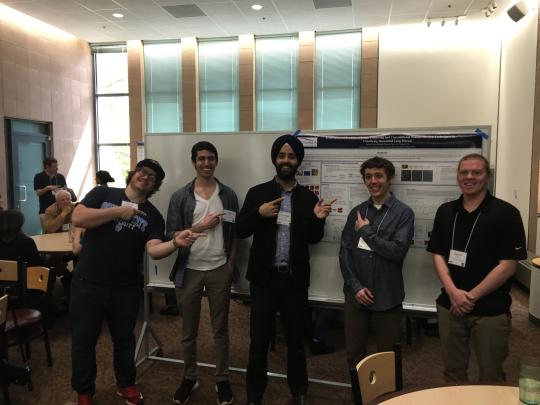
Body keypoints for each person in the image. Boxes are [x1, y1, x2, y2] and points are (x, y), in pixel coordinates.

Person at [70, 159, 203, 405]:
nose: (146, 176)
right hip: (87, 283)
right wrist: (118, 212)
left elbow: (153, 250)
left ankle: (126, 384)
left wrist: (176, 242)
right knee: (83, 341)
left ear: (156, 185)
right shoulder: (103, 193)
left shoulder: (153, 216)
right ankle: (85, 391)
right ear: (133, 173)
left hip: (125, 288)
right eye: (143, 171)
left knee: (124, 340)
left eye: (153, 176)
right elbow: (78, 217)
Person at [237, 134, 335, 405]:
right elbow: (240, 230)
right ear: (274, 159)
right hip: (263, 281)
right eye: (282, 155)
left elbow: (313, 238)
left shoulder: (306, 197)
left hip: (294, 281)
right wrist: (259, 214)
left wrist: (318, 220)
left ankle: (299, 392)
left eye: (291, 156)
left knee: (296, 341)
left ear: (298, 161)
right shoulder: (258, 193)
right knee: (258, 343)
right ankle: (254, 396)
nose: (286, 160)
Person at [427, 153, 526, 382]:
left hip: (490, 309)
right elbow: (438, 255)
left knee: (491, 376)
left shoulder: (507, 213)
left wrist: (469, 297)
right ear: (458, 177)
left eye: (476, 172)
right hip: (450, 306)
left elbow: (508, 266)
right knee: (453, 373)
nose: (469, 177)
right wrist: (453, 293)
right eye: (464, 172)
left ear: (487, 177)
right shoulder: (445, 211)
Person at [166, 141, 239, 405]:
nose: (206, 163)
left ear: (216, 161)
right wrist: (200, 226)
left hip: (219, 269)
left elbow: (234, 233)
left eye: (210, 158)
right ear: (194, 162)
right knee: (188, 330)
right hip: (190, 270)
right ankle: (189, 377)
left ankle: (222, 379)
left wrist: (231, 264)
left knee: (221, 329)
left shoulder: (228, 195)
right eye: (201, 159)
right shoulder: (180, 196)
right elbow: (171, 234)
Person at [339, 157, 414, 394]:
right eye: (369, 177)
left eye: (379, 176)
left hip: (388, 295)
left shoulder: (404, 213)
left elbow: (396, 251)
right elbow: (345, 252)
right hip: (356, 297)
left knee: (387, 356)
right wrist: (355, 286)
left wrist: (367, 232)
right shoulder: (357, 212)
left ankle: (388, 398)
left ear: (389, 178)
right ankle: (358, 397)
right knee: (354, 353)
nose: (374, 181)